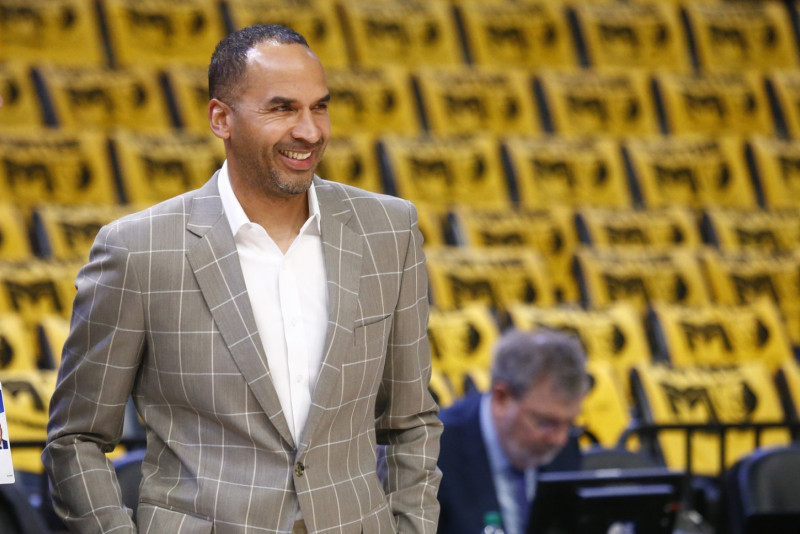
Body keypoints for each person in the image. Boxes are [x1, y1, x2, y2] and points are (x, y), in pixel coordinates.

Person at [43, 24, 441, 534]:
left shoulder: (389, 229)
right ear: (221, 119)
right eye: (282, 109)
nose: (310, 131)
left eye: (319, 107)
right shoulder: (138, 250)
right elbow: (76, 438)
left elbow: (411, 421)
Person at [436, 329, 589, 534]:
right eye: (546, 423)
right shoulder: (435, 450)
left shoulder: (564, 443)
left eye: (570, 423)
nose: (560, 439)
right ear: (502, 398)